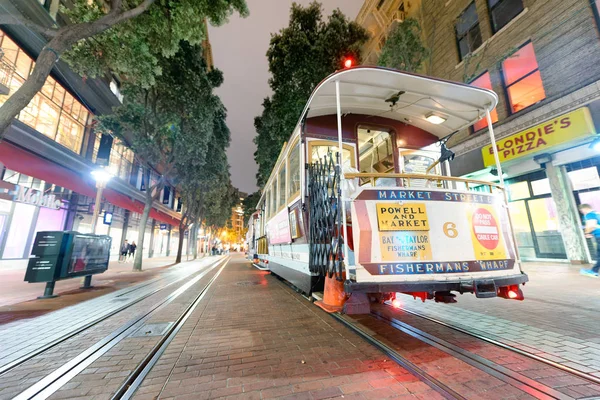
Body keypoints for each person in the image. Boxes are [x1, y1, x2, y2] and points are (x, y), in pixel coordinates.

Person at [579, 204, 600, 277]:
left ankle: (594, 271)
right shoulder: (597, 213)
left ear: (584, 209)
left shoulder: (590, 214)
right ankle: (594, 270)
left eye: (582, 211)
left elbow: (591, 225)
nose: (582, 213)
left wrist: (587, 233)